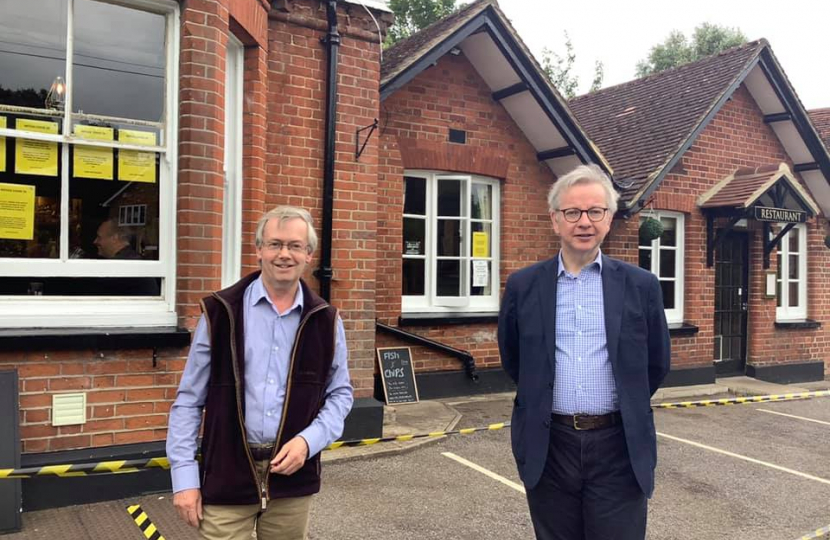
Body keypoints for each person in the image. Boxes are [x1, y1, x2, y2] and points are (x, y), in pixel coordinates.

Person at [498, 165, 671, 540]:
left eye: (596, 211)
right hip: (550, 447)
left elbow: (656, 364)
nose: (584, 222)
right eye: (572, 212)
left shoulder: (641, 286)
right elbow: (514, 360)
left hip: (618, 447)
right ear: (555, 221)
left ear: (609, 219)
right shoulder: (523, 286)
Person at [166, 206, 353, 540]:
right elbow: (188, 401)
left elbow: (340, 395)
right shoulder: (220, 313)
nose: (284, 254)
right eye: (275, 244)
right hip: (227, 473)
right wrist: (184, 480)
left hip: (292, 480)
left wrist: (308, 442)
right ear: (259, 251)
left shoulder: (326, 320)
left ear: (309, 255)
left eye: (295, 246)